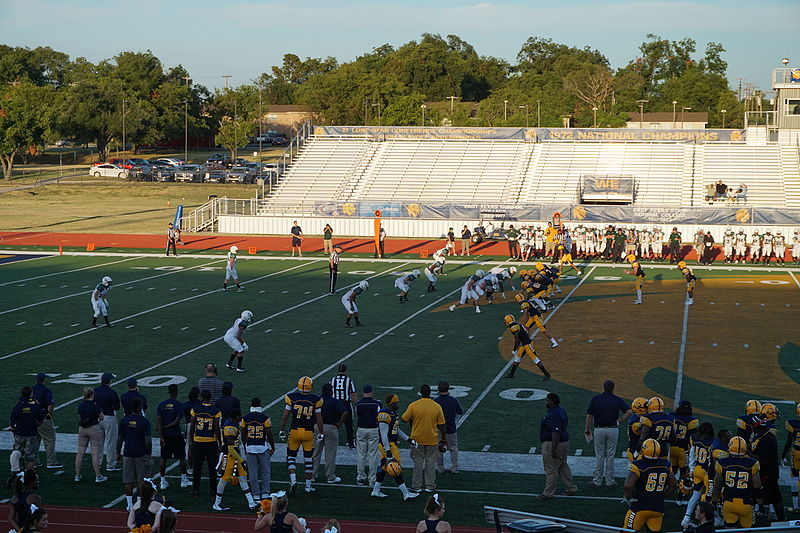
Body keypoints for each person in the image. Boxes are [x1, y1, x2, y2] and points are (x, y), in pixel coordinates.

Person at [279, 376, 324, 495]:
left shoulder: (291, 398)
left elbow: (285, 416)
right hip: (309, 432)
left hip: (294, 431)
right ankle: (308, 486)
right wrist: (321, 432)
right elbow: (319, 419)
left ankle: (293, 481)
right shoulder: (316, 399)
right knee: (309, 459)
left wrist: (282, 430)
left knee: (291, 457)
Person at [584, 380, 631, 488]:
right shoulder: (617, 400)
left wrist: (587, 428)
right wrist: (619, 421)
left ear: (603, 387)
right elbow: (629, 412)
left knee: (600, 455)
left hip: (599, 429)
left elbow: (590, 415)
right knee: (610, 455)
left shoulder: (596, 399)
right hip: (612, 429)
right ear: (613, 388)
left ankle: (597, 481)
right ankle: (610, 481)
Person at [371, 394, 418, 500]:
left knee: (384, 468)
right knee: (395, 468)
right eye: (397, 402)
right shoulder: (384, 414)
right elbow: (383, 434)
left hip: (390, 444)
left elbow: (396, 429)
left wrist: (408, 439)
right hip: (388, 445)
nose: (398, 404)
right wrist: (387, 450)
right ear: (392, 404)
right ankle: (406, 493)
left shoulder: (392, 413)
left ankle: (375, 490)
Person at [623, 438, 677, 532]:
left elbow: (628, 485)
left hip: (640, 507)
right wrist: (662, 496)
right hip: (657, 508)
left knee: (627, 531)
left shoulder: (638, 465)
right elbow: (673, 484)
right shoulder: (665, 464)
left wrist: (628, 498)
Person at [401, 384, 446, 493]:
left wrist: (413, 420)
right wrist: (443, 439)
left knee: (418, 461)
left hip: (417, 438)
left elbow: (404, 419)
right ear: (430, 393)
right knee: (430, 461)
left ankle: (416, 486)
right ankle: (430, 485)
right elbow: (442, 424)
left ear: (421, 393)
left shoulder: (414, 405)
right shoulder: (436, 406)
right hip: (432, 438)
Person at [712, 436, 763, 529]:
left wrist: (714, 501)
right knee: (748, 530)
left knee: (730, 530)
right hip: (746, 504)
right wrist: (760, 502)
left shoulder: (722, 463)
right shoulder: (752, 463)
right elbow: (757, 486)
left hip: (728, 503)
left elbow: (717, 486)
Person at [214, 408, 258, 511]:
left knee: (242, 477)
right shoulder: (230, 427)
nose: (241, 417)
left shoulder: (233, 424)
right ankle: (217, 503)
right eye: (240, 415)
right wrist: (241, 460)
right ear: (235, 416)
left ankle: (251, 503)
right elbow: (230, 448)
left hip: (235, 454)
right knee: (224, 479)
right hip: (229, 456)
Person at [537, 392, 577, 500]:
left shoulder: (554, 414)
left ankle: (548, 493)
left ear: (553, 402)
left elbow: (555, 432)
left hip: (555, 443)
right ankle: (571, 487)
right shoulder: (560, 410)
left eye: (547, 400)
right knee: (562, 466)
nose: (545, 402)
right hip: (563, 442)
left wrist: (553, 449)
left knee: (551, 469)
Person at [117, 398, 153, 510]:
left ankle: (129, 504)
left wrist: (117, 452)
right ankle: (138, 503)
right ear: (140, 407)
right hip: (140, 453)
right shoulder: (145, 422)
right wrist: (149, 452)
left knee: (128, 480)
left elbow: (120, 438)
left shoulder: (124, 421)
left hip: (128, 453)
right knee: (140, 480)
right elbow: (148, 440)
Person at [752, 404, 784, 522]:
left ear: (757, 427)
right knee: (773, 496)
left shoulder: (767, 439)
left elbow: (763, 459)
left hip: (768, 473)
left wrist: (746, 452)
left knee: (773, 497)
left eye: (753, 426)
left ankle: (780, 519)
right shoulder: (764, 434)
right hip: (768, 472)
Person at [681, 422, 716, 528]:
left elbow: (691, 453)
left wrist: (691, 468)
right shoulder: (713, 442)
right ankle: (711, 519)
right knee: (710, 496)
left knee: (695, 495)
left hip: (697, 470)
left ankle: (686, 518)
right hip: (706, 472)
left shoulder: (694, 438)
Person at [189, 389, 222, 498]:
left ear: (202, 397)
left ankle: (196, 490)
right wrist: (220, 441)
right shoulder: (216, 411)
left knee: (197, 467)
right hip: (210, 442)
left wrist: (191, 440)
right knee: (212, 468)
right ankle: (213, 490)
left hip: (198, 441)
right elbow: (217, 429)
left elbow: (192, 426)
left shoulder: (196, 409)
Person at [156, 383, 190, 490]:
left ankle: (162, 482)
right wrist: (166, 426)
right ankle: (183, 480)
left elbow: (158, 422)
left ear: (168, 392)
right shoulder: (180, 405)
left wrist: (161, 435)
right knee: (181, 457)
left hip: (165, 435)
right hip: (175, 434)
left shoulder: (161, 405)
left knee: (163, 458)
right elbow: (176, 421)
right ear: (176, 392)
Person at [312, 383, 347, 484]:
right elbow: (345, 412)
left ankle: (312, 475)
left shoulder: (317, 400)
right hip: (331, 427)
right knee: (330, 454)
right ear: (331, 391)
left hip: (317, 427)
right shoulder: (334, 401)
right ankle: (330, 477)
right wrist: (339, 423)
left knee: (315, 453)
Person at [242, 397, 275, 500]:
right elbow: (269, 434)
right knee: (265, 471)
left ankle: (256, 494)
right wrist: (272, 446)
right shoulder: (265, 418)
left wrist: (245, 445)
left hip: (250, 447)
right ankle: (265, 492)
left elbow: (243, 433)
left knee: (253, 472)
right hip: (262, 447)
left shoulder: (245, 418)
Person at [503, 314, 551, 380]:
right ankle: (511, 374)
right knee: (517, 358)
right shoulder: (516, 324)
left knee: (535, 359)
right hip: (524, 343)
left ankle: (547, 374)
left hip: (527, 344)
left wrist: (514, 349)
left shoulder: (513, 326)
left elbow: (517, 339)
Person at [75, 387, 107, 483]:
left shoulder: (81, 405)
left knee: (80, 452)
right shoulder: (95, 405)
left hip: (82, 429)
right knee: (95, 453)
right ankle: (98, 475)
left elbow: (80, 413)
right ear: (92, 395)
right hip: (93, 428)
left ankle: (77, 475)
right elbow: (101, 417)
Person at [9, 386, 44, 472]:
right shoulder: (36, 405)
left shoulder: (18, 406)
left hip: (19, 433)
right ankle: (29, 477)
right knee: (30, 457)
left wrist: (14, 430)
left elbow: (11, 423)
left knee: (16, 451)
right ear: (31, 394)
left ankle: (15, 471)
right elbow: (40, 420)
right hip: (31, 434)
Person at [32, 373, 61, 470]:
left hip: (31, 418)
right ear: (44, 380)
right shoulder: (46, 390)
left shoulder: (31, 389)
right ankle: (51, 462)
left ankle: (34, 461)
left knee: (35, 440)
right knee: (49, 439)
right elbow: (50, 404)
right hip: (42, 417)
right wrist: (50, 414)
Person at [354, 384, 382, 487]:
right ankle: (372, 479)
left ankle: (360, 478)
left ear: (363, 392)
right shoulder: (377, 403)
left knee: (361, 455)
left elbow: (357, 415)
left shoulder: (358, 404)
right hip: (373, 429)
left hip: (361, 429)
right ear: (371, 391)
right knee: (373, 455)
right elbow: (379, 417)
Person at [433, 382, 463, 474]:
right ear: (448, 389)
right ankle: (454, 468)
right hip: (450, 427)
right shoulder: (454, 400)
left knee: (439, 448)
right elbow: (460, 411)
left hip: (438, 428)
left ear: (438, 389)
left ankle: (440, 468)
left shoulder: (435, 400)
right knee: (453, 448)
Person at [94, 372, 121, 472]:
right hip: (109, 418)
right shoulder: (112, 393)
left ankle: (98, 463)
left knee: (99, 443)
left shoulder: (95, 391)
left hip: (97, 418)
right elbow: (117, 407)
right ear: (109, 381)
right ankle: (110, 464)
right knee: (111, 442)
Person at [330, 363, 357, 449]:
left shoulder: (333, 379)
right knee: (349, 425)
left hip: (335, 403)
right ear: (345, 370)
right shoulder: (349, 380)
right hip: (345, 403)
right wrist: (355, 404)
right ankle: (351, 443)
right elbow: (353, 394)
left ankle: (332, 441)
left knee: (334, 423)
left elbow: (329, 391)